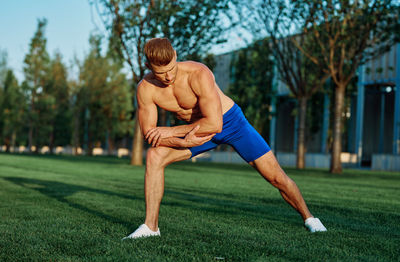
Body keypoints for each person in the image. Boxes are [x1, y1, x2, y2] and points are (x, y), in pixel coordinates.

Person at [122, 38, 327, 240]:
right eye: (161, 72)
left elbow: (214, 124)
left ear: (175, 56)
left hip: (230, 123)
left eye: (171, 69)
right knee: (154, 156)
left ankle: (310, 219)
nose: (167, 77)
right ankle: (151, 227)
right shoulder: (145, 89)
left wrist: (171, 131)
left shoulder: (198, 73)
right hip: (194, 134)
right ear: (148, 66)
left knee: (276, 177)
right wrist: (182, 142)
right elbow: (150, 134)